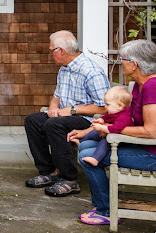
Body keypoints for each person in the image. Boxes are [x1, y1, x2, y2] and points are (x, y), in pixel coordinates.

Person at [69, 39, 156, 225]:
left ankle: (106, 211)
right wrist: (95, 128)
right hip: (145, 146)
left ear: (134, 64)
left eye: (123, 59)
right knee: (87, 144)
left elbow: (150, 132)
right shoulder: (139, 84)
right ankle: (103, 204)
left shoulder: (153, 88)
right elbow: (126, 117)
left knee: (86, 157)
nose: (121, 62)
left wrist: (109, 130)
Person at [24, 30, 111, 197]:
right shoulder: (64, 69)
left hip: (87, 121)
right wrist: (52, 109)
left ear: (61, 51)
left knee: (54, 125)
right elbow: (56, 96)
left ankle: (70, 179)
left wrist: (72, 110)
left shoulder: (91, 71)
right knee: (33, 120)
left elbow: (104, 107)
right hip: (65, 116)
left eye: (51, 51)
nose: (51, 54)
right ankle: (49, 171)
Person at [68, 86, 133, 167]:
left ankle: (96, 159)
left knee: (105, 142)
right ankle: (80, 142)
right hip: (110, 134)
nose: (105, 107)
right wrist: (101, 120)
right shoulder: (115, 111)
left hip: (120, 141)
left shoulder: (124, 117)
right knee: (93, 132)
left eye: (107, 104)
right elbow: (106, 117)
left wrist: (101, 128)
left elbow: (115, 129)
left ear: (119, 105)